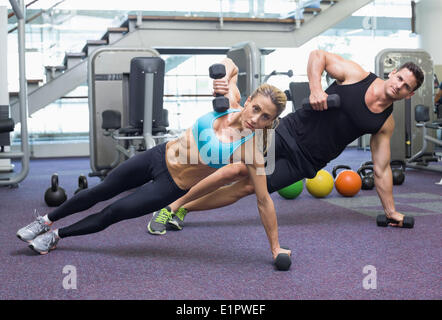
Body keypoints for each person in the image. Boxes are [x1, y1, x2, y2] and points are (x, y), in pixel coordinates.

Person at [16, 58, 290, 264]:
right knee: (99, 191)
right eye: (256, 108)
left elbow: (264, 200)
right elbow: (229, 64)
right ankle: (46, 221)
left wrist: (275, 247)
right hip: (157, 155)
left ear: (270, 122)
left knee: (114, 212)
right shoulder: (230, 99)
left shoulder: (249, 152)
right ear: (249, 100)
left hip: (170, 186)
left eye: (265, 117)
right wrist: (223, 76)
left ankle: (57, 236)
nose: (256, 119)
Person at [148, 49, 425, 233]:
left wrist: (391, 211)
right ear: (393, 73)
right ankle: (169, 207)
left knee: (247, 188)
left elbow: (382, 168)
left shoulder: (384, 123)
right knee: (236, 169)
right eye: (399, 78)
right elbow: (319, 56)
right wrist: (316, 89)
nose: (398, 86)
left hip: (308, 161)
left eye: (406, 87)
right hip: (287, 132)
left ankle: (182, 208)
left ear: (409, 95)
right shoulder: (357, 75)